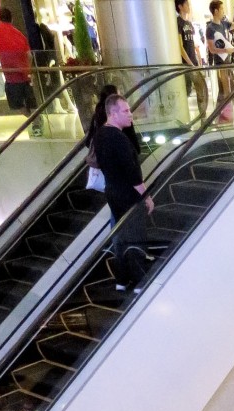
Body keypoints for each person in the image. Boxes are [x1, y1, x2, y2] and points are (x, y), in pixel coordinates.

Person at [93, 94, 154, 294]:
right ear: (113, 113)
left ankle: (121, 278)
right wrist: (146, 197)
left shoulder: (100, 134)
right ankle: (139, 280)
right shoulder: (118, 138)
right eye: (126, 111)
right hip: (127, 194)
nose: (131, 115)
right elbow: (133, 173)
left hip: (112, 191)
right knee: (135, 235)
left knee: (120, 235)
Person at [0, 9, 40, 135]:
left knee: (15, 103)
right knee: (29, 101)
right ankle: (37, 122)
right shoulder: (19, 34)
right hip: (24, 74)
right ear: (11, 19)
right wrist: (29, 70)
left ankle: (36, 122)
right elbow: (29, 56)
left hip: (12, 76)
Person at [176, 0, 208, 120]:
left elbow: (192, 43)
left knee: (201, 89)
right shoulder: (178, 22)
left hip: (193, 61)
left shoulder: (189, 24)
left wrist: (198, 60)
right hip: (185, 64)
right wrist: (190, 63)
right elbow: (180, 47)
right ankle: (184, 118)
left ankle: (203, 117)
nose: (188, 7)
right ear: (180, 6)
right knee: (186, 90)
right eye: (186, 4)